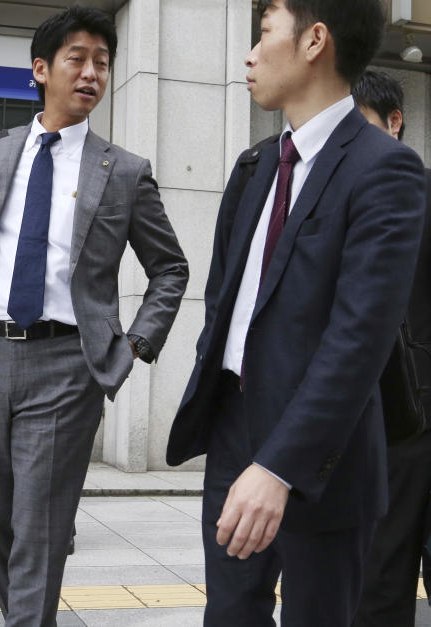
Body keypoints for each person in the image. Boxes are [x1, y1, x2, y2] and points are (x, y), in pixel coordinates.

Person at [167, 1, 427, 624]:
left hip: (326, 455)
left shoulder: (385, 169)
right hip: (234, 429)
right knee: (230, 615)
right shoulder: (254, 166)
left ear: (315, 41)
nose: (249, 55)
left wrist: (280, 466)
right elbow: (224, 301)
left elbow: (359, 338)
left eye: (263, 34)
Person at [0, 7, 188, 624]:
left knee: (39, 528)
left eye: (102, 62)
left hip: (67, 365)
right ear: (41, 70)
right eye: (78, 59)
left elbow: (170, 268)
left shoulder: (124, 171)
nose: (92, 73)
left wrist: (135, 345)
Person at [352, 70, 431, 627]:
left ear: (395, 123)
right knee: (378, 577)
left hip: (418, 409)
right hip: (377, 422)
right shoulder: (337, 203)